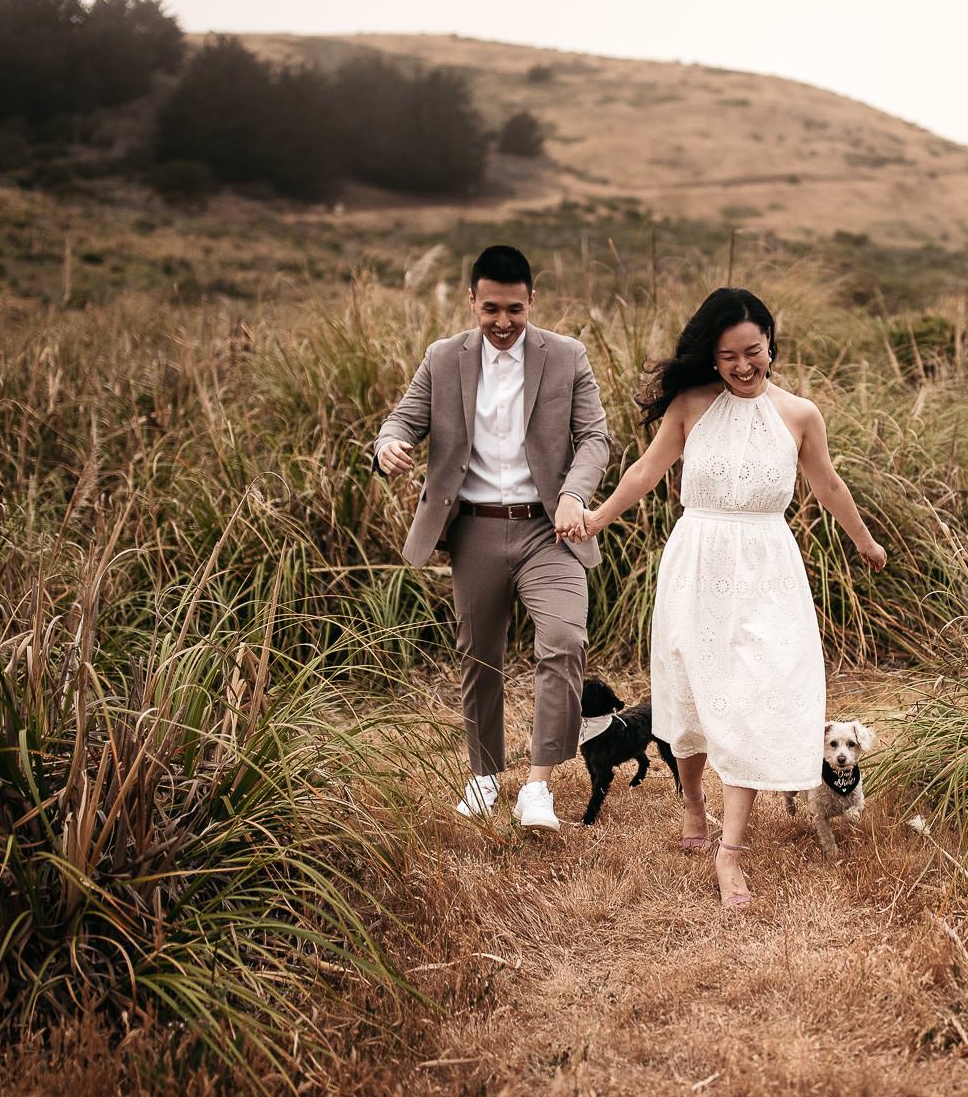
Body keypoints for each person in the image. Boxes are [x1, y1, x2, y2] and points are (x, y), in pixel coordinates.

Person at [565, 288, 887, 907]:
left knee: (755, 692)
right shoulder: (690, 405)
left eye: (754, 352)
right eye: (728, 356)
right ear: (710, 356)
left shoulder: (800, 415)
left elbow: (828, 483)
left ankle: (730, 852)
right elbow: (644, 473)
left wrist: (865, 543)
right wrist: (597, 517)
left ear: (771, 343)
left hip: (767, 567)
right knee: (691, 690)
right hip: (699, 560)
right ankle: (692, 808)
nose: (743, 366)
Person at [374, 245, 610, 831]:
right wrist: (388, 446)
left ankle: (538, 785)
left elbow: (595, 440)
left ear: (531, 301)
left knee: (563, 640)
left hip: (550, 529)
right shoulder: (442, 357)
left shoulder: (567, 357)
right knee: (479, 655)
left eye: (514, 309)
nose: (502, 322)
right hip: (474, 528)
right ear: (472, 302)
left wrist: (576, 495)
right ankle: (483, 774)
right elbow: (403, 420)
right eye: (490, 310)